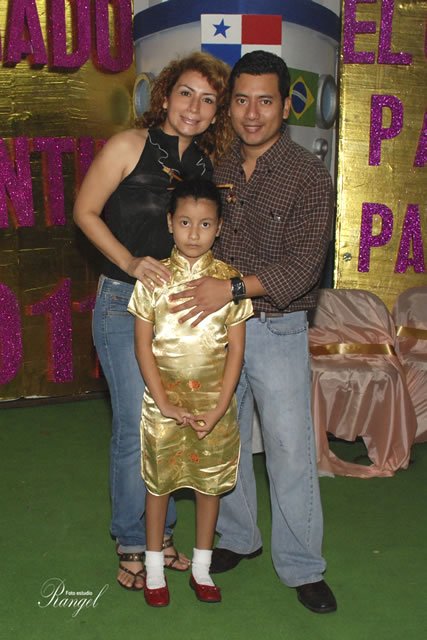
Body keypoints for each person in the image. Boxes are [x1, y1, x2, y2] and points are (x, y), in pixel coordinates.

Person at [168, 50, 337, 614]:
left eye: (265, 101)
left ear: (286, 106)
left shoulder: (308, 175)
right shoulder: (213, 168)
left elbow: (304, 267)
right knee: (223, 439)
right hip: (215, 329)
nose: (252, 113)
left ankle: (303, 566)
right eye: (241, 100)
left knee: (290, 451)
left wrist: (233, 288)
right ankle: (239, 537)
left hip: (276, 327)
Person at [73, 52, 233, 591]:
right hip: (123, 302)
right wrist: (129, 262)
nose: (195, 107)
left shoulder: (204, 168)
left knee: (170, 422)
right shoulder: (127, 145)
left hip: (181, 315)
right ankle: (131, 539)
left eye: (208, 100)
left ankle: (160, 533)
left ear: (216, 113)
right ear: (165, 95)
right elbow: (84, 211)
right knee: (132, 428)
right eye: (186, 93)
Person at [128, 178, 253, 607]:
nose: (194, 234)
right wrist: (162, 401)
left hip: (213, 408)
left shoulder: (229, 282)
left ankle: (202, 567)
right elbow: (142, 345)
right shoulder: (153, 280)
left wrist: (220, 408)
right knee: (158, 485)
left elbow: (237, 350)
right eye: (184, 222)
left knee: (209, 487)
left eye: (204, 224)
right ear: (169, 223)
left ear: (219, 228)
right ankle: (154, 570)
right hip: (162, 405)